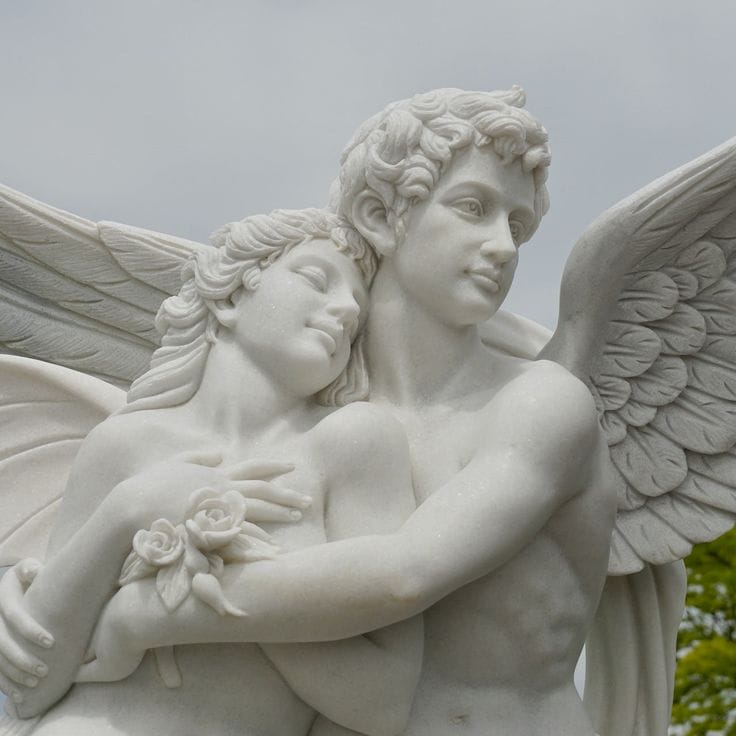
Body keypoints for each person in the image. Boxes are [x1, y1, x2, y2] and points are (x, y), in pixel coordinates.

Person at [4, 88, 617, 736]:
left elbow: (404, 575)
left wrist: (148, 613)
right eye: (473, 208)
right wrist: (50, 581)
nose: (503, 247)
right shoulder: (318, 424)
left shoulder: (538, 402)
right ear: (382, 213)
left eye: (519, 228)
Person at [0, 208, 423, 736]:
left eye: (358, 314)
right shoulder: (125, 443)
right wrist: (129, 509)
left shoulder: (352, 443)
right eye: (316, 280)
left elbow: (383, 702)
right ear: (229, 297)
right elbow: (30, 686)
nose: (343, 311)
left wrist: (211, 587)